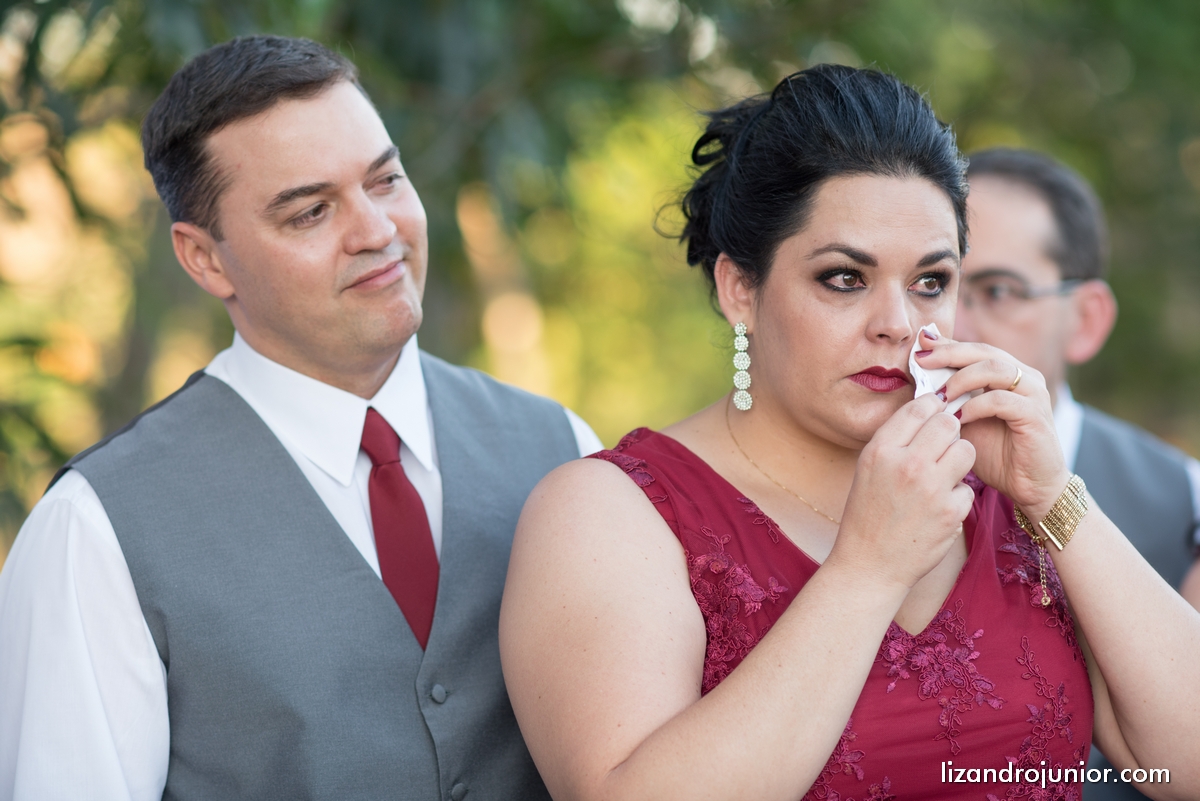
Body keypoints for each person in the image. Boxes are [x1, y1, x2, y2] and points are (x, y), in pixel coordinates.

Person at [499, 65, 1200, 801]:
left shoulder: (999, 496)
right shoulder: (607, 515)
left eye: (930, 282)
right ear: (741, 288)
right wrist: (867, 570)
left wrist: (1054, 497)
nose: (898, 322)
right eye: (844, 278)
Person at [0, 36, 601, 800]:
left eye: (385, 180)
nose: (376, 231)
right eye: (311, 211)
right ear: (205, 259)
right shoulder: (95, 531)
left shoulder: (566, 451)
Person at [954, 147, 1200, 801]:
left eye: (997, 291)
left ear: (1085, 320)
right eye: (935, 284)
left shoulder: (1186, 496)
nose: (953, 325)